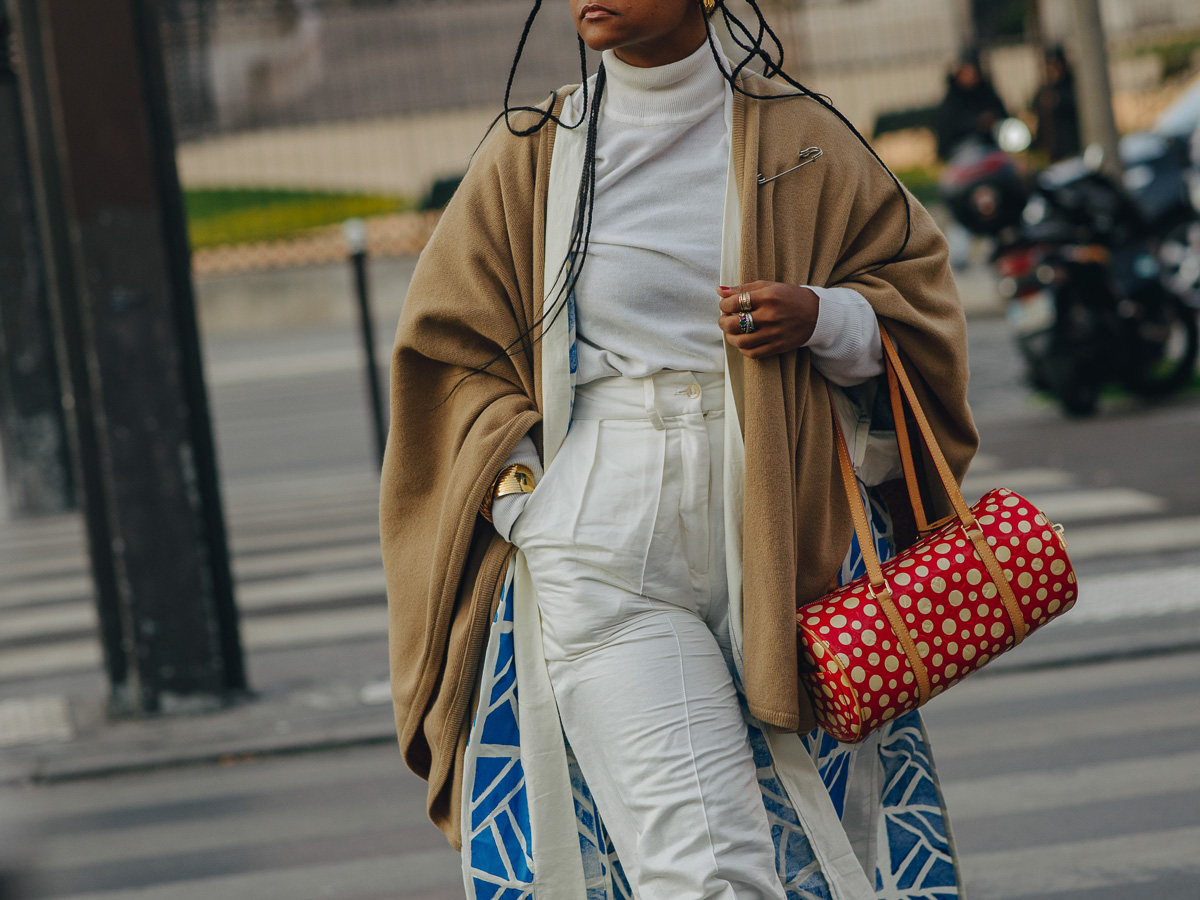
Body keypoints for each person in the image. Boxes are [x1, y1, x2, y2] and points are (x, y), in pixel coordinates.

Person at [382, 1, 978, 897]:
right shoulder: (533, 151)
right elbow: (449, 351)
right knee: (706, 868)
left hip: (787, 530)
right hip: (604, 531)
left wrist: (823, 315)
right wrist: (525, 499)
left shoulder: (803, 137)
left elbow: (919, 309)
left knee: (819, 853)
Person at [936, 48, 1008, 161]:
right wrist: (977, 124)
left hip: (993, 144)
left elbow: (1003, 116)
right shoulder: (952, 100)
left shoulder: (986, 93)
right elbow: (950, 129)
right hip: (965, 148)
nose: (970, 77)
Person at [1031, 45, 1082, 163]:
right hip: (1052, 151)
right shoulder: (1045, 89)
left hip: (1072, 147)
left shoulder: (1071, 85)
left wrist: (1058, 101)